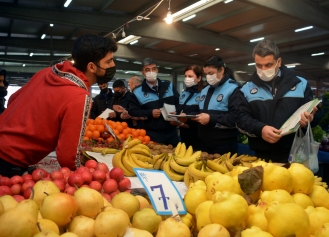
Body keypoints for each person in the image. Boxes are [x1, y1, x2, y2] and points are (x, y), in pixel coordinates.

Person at [0, 34, 117, 177]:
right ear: (92, 67)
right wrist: (91, 175)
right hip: (9, 161)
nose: (113, 65)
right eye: (109, 61)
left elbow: (13, 99)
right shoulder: (79, 97)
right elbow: (68, 157)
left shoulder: (44, 73)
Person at [236, 39, 317, 163]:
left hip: (295, 154)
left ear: (279, 62)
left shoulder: (300, 84)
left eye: (268, 65)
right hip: (261, 155)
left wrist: (311, 118)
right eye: (259, 65)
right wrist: (260, 129)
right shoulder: (247, 89)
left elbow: (314, 114)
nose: (263, 70)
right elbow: (240, 118)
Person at [192, 55, 241, 155]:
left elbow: (236, 118)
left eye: (211, 73)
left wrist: (211, 118)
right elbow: (203, 112)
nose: (208, 77)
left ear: (221, 70)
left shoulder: (233, 89)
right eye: (206, 74)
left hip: (224, 144)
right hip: (204, 142)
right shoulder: (205, 90)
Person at [128, 58, 180, 146]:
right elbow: (132, 111)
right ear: (143, 72)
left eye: (154, 69)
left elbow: (179, 103)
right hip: (153, 134)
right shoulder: (138, 92)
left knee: (177, 157)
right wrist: (150, 112)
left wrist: (177, 114)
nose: (151, 72)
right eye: (147, 70)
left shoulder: (168, 85)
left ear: (157, 70)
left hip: (172, 131)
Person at [173, 65, 207, 151]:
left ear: (199, 78)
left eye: (190, 76)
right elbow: (179, 111)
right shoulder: (184, 93)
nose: (187, 78)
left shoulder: (204, 93)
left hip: (198, 135)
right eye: (186, 76)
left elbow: (204, 114)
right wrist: (176, 116)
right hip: (184, 134)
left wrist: (188, 119)